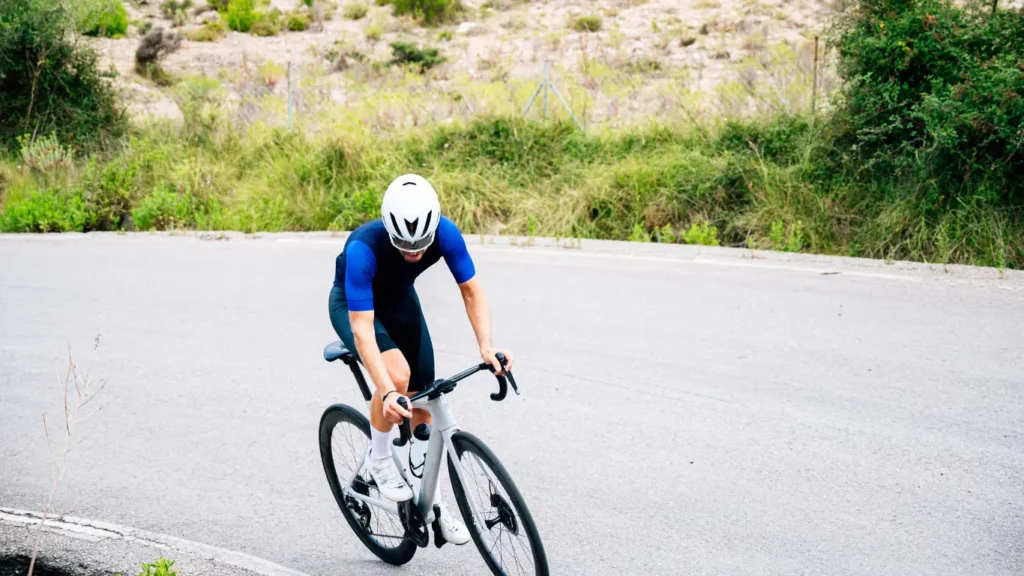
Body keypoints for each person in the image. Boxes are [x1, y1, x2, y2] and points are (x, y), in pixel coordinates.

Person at [328, 173, 514, 546]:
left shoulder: (446, 232)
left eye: (420, 245)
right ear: (388, 227)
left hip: (398, 300)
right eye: (403, 245)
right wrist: (385, 390)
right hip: (354, 306)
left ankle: (431, 502)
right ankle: (379, 456)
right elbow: (363, 329)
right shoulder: (363, 249)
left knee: (427, 395)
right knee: (397, 377)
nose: (413, 252)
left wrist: (487, 346)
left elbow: (472, 291)